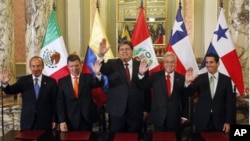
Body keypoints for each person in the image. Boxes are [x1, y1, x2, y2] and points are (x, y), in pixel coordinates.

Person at [97, 39, 150, 133]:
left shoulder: (141, 65)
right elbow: (100, 68)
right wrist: (100, 55)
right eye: (121, 49)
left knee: (135, 137)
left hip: (136, 110)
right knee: (117, 137)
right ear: (118, 52)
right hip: (117, 110)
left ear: (132, 51)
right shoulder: (111, 64)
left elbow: (146, 87)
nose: (124, 51)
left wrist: (146, 109)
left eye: (127, 49)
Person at [1, 56, 57, 131]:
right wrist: (5, 83)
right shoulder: (23, 81)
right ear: (30, 67)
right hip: (27, 121)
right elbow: (10, 91)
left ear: (43, 67)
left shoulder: (51, 82)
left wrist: (54, 119)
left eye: (38, 66)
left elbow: (55, 103)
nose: (36, 68)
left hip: (45, 122)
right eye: (33, 66)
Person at [185, 53, 234, 133]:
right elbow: (189, 93)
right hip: (201, 120)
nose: (208, 65)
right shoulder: (200, 78)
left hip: (220, 121)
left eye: (211, 62)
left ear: (218, 63)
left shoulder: (226, 80)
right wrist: (187, 82)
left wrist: (228, 122)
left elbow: (229, 103)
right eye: (206, 62)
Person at [141, 52, 189, 132]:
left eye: (172, 62)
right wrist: (141, 74)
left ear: (175, 63)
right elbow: (144, 87)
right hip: (158, 116)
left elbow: (184, 98)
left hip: (175, 117)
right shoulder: (155, 76)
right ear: (163, 63)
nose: (169, 64)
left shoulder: (181, 78)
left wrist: (184, 115)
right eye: (167, 62)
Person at [57, 53, 103, 131]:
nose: (74, 68)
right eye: (71, 66)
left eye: (76, 65)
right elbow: (60, 103)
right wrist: (62, 121)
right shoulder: (62, 82)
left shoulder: (88, 77)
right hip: (70, 120)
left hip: (87, 118)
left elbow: (98, 83)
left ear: (81, 65)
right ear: (68, 67)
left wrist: (98, 74)